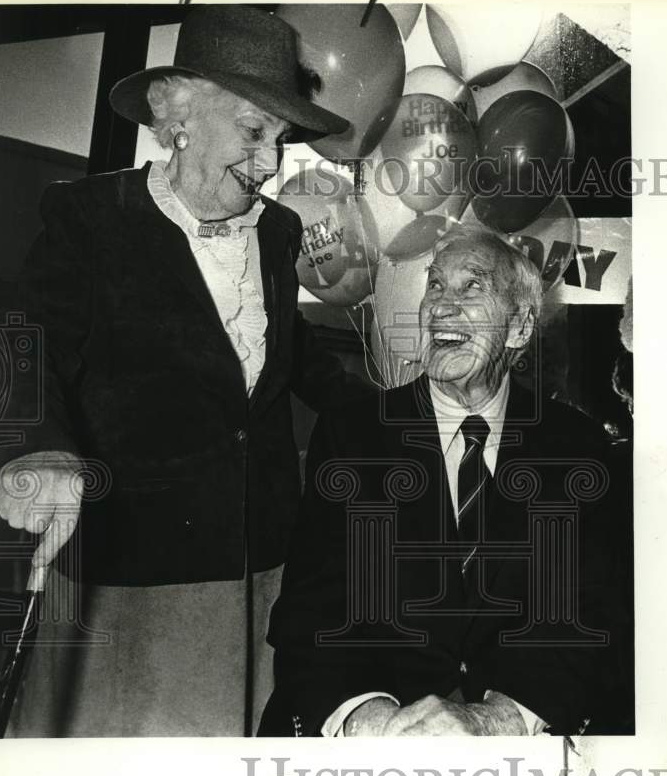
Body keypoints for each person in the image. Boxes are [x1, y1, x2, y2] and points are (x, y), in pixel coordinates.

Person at [0, 5, 366, 737]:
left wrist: (400, 411)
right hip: (134, 568)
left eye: (280, 141)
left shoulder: (279, 230)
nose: (269, 164)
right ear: (177, 112)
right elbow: (26, 346)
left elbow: (287, 352)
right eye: (254, 132)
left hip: (261, 562)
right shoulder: (91, 216)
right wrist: (38, 447)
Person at [259, 224, 630, 737]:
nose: (441, 306)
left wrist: (498, 720)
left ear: (520, 329)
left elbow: (593, 618)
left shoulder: (577, 448)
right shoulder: (354, 436)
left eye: (471, 288)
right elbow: (311, 613)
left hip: (520, 738)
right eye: (435, 286)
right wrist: (367, 717)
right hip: (375, 736)